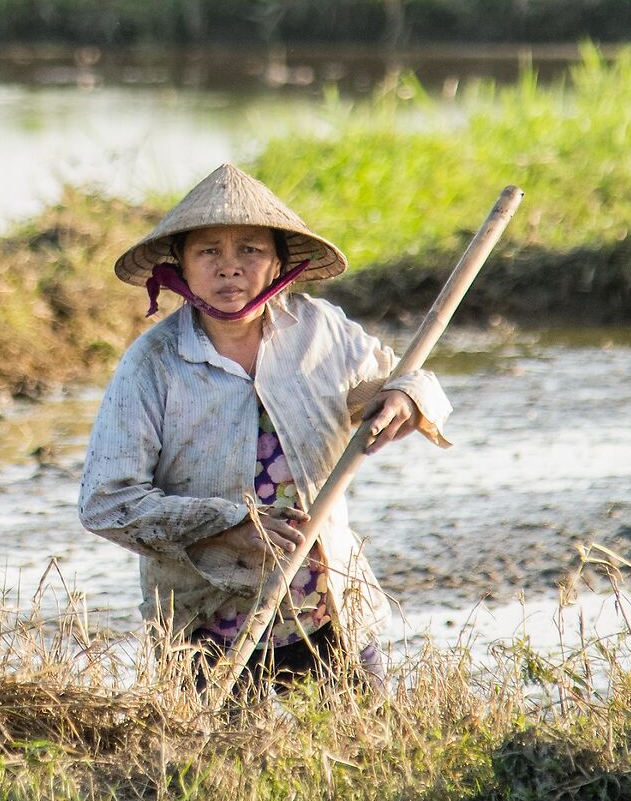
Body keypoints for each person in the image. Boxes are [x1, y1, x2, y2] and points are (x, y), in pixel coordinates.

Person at [78, 161, 450, 686]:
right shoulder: (153, 364)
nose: (230, 267)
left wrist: (406, 401)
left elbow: (402, 381)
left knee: (371, 751)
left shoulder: (321, 330)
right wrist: (230, 526)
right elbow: (106, 502)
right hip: (206, 621)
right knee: (211, 761)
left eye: (249, 250)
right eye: (209, 251)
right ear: (180, 268)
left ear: (277, 264)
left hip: (327, 607)